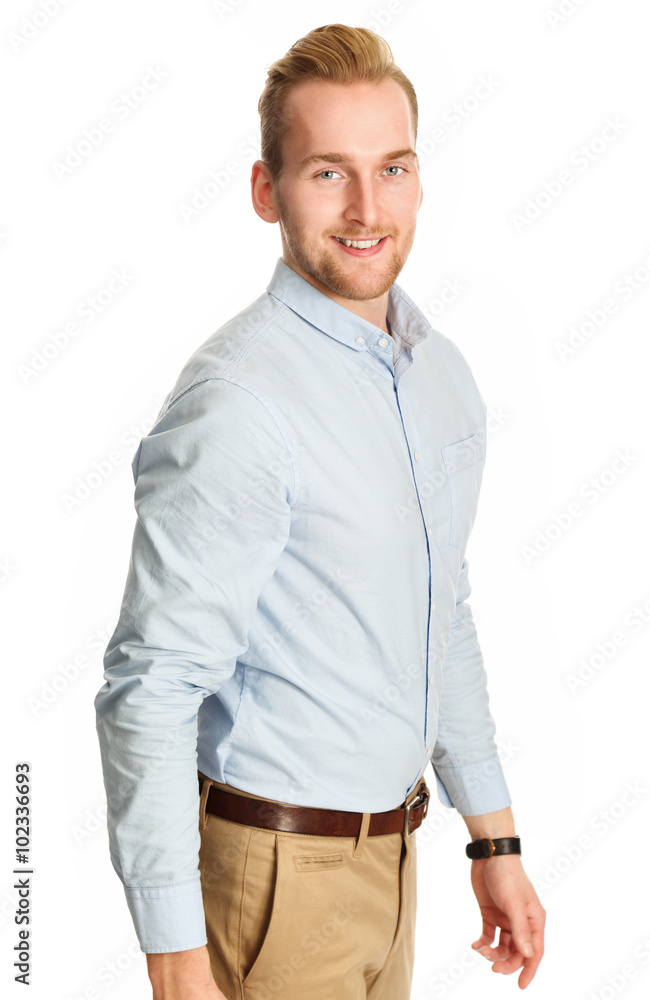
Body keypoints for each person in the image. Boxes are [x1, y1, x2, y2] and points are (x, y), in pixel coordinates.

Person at [94, 23, 545, 1000]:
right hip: (272, 883)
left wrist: (492, 837)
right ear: (267, 190)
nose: (366, 209)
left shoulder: (438, 376)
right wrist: (174, 957)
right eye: (327, 173)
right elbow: (152, 685)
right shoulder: (238, 402)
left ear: (418, 180)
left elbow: (441, 609)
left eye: (391, 169)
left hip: (394, 860)